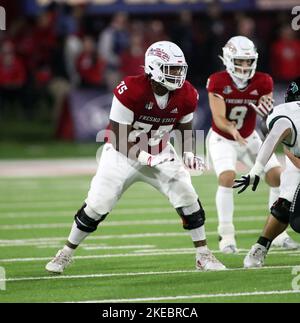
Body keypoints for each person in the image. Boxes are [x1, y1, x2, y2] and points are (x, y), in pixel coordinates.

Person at [46, 41, 226, 274]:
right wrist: (145, 158)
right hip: (123, 153)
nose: (178, 75)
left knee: (188, 197)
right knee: (97, 204)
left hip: (160, 150)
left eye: (179, 69)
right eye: (171, 69)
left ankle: (203, 255)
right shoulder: (131, 89)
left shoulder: (187, 93)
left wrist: (188, 153)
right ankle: (65, 253)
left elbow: (185, 128)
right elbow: (119, 136)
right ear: (154, 67)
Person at [206, 35, 298, 253]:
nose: (245, 65)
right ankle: (226, 236)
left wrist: (269, 117)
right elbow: (219, 117)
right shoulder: (217, 81)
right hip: (222, 138)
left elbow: (266, 116)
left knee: (276, 175)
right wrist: (232, 130)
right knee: (227, 176)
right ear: (228, 59)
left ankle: (278, 234)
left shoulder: (264, 81)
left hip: (250, 135)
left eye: (248, 61)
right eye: (240, 60)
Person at [234, 78, 300, 267]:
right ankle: (260, 247)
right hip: (297, 164)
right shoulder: (289, 118)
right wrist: (256, 170)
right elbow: (278, 142)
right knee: (284, 207)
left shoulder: (285, 117)